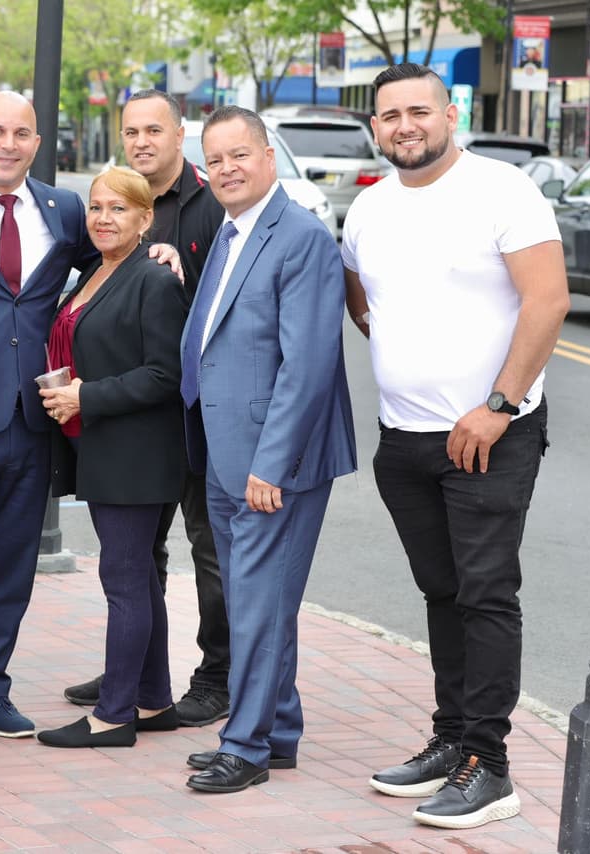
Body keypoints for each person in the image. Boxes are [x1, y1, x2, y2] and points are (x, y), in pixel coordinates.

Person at [0, 91, 187, 739]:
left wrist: (159, 251)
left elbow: (109, 265)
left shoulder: (65, 208)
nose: (8, 143)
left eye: (22, 132)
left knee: (12, 569)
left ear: (36, 142)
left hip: (35, 423)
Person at [343, 64, 567, 830]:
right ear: (375, 127)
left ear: (449, 115)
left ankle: (491, 767)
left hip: (489, 436)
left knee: (485, 595)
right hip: (403, 440)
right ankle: (451, 741)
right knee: (442, 594)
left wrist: (498, 404)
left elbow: (549, 298)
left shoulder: (503, 190)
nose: (405, 125)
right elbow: (360, 298)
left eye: (420, 111)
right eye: (390, 115)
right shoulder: (368, 210)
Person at [181, 106, 356, 794]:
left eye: (239, 155)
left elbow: (307, 365)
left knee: (255, 606)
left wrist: (270, 465)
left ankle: (246, 746)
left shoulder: (303, 237)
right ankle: (278, 729)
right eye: (215, 159)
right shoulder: (229, 234)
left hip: (270, 464)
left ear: (268, 157)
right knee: (261, 601)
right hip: (224, 454)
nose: (226, 169)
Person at [63, 89, 231, 729]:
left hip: (199, 416)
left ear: (180, 134)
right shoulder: (120, 206)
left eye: (154, 130)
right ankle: (134, 672)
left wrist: (176, 281)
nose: (141, 140)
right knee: (142, 558)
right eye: (131, 130)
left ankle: (217, 678)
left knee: (207, 549)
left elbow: (221, 308)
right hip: (139, 425)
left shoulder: (211, 203)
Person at [36, 167, 187, 748]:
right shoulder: (95, 273)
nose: (103, 218)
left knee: (123, 580)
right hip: (103, 447)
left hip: (138, 454)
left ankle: (114, 714)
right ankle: (153, 701)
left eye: (119, 209)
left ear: (145, 219)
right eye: (96, 207)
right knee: (140, 579)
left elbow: (165, 374)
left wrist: (85, 396)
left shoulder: (152, 280)